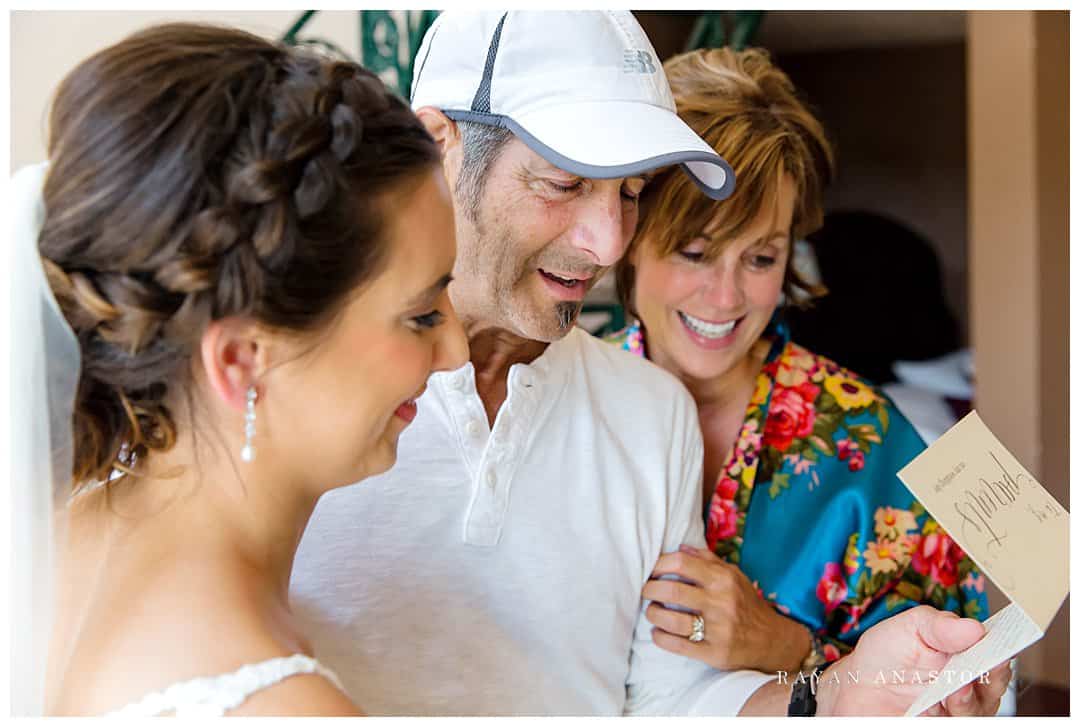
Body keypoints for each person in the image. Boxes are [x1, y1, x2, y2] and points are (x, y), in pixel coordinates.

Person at [291, 11, 1008, 717]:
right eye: (566, 182)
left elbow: (669, 697)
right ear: (438, 143)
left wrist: (828, 688)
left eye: (631, 193)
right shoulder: (296, 377)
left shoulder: (656, 411)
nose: (605, 243)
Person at [15, 23, 468, 716]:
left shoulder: (45, 536)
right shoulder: (281, 705)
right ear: (241, 359)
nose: (457, 349)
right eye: (419, 314)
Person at [607, 47, 988, 677]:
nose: (726, 299)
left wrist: (786, 647)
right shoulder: (564, 405)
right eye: (694, 253)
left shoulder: (865, 437)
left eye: (760, 259)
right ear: (627, 239)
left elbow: (949, 679)